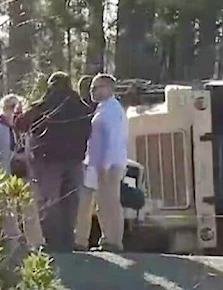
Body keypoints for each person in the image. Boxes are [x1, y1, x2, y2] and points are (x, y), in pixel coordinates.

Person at [14, 71, 92, 252]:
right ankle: (67, 240)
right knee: (71, 201)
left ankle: (53, 241)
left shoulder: (43, 105)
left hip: (48, 161)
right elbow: (89, 128)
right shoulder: (81, 106)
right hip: (74, 160)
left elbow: (21, 124)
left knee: (50, 200)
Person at [78, 73, 128, 252]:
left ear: (108, 88)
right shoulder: (102, 108)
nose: (92, 91)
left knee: (110, 202)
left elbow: (112, 140)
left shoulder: (112, 110)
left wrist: (105, 166)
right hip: (98, 163)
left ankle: (114, 241)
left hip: (109, 164)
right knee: (103, 204)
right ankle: (107, 238)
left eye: (96, 87)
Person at [0, 94, 45, 249]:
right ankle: (13, 240)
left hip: (24, 171)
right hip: (6, 172)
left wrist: (28, 155)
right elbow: (5, 151)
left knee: (29, 205)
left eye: (17, 107)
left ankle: (36, 241)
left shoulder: (22, 128)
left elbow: (29, 147)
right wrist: (17, 155)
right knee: (8, 208)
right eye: (10, 107)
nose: (14, 111)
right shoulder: (1, 127)